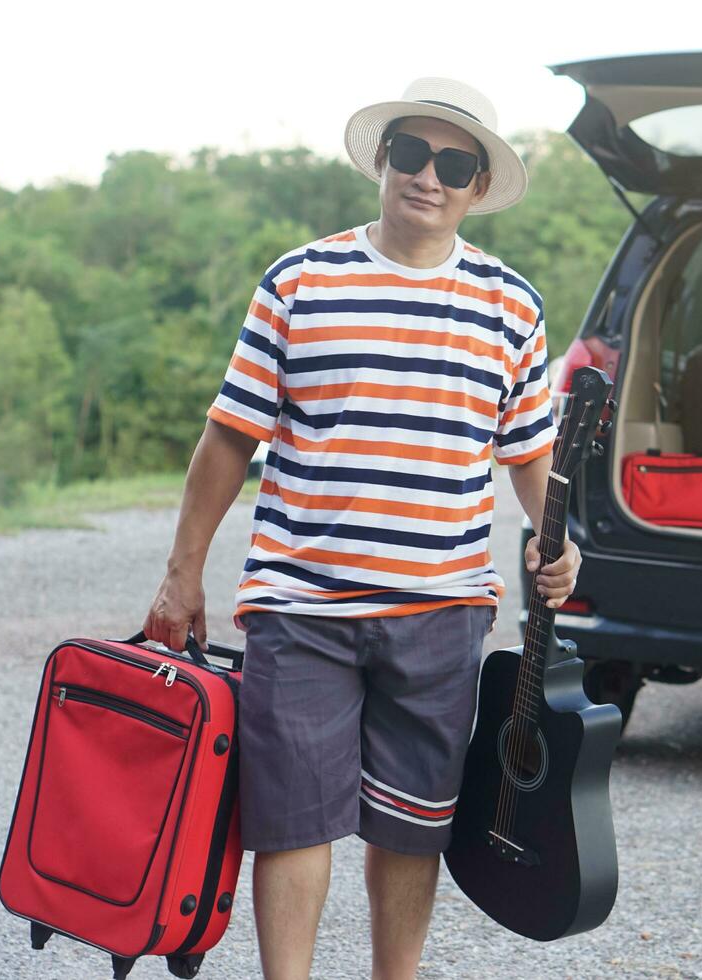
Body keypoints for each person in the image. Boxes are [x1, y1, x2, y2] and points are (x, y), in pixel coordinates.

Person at [144, 77, 581, 980]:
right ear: (384, 160)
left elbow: (529, 455)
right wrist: (182, 573)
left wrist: (557, 538)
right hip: (300, 603)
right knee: (292, 820)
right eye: (413, 154)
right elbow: (229, 437)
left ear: (476, 186)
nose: (430, 177)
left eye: (453, 164)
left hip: (442, 611)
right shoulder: (300, 280)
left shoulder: (512, 307)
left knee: (411, 825)